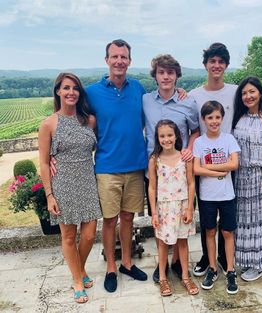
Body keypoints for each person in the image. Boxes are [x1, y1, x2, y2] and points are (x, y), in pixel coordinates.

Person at [189, 42, 262, 277]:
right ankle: (209, 258)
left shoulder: (236, 91)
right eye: (212, 61)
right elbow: (192, 125)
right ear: (205, 65)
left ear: (226, 65)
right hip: (215, 164)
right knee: (211, 214)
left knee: (240, 219)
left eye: (221, 61)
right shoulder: (193, 95)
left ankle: (233, 259)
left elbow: (258, 110)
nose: (216, 65)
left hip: (241, 166)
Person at [85, 39, 148, 292]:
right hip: (107, 167)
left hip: (135, 166)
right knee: (109, 220)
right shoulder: (91, 93)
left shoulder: (139, 89)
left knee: (128, 218)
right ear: (107, 60)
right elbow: (74, 119)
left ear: (130, 61)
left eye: (124, 57)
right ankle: (111, 266)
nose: (119, 61)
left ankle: (127, 263)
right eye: (115, 57)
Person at [39, 73, 102, 304]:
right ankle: (77, 279)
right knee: (68, 236)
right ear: (58, 91)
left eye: (75, 88)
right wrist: (49, 195)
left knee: (88, 235)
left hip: (87, 181)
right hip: (63, 185)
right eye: (66, 88)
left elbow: (96, 147)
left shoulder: (89, 121)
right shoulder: (48, 124)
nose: (71, 92)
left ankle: (80, 268)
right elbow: (44, 162)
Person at [143, 54, 199, 283]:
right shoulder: (145, 100)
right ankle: (163, 264)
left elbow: (195, 131)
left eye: (170, 72)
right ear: (155, 76)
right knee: (161, 223)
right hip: (156, 172)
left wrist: (190, 149)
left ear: (177, 75)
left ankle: (177, 262)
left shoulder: (188, 102)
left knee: (181, 223)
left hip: (180, 173)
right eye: (161, 72)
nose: (166, 76)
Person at [232, 76, 262, 281]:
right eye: (244, 93)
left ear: (260, 93)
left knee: (260, 220)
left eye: (252, 91)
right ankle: (248, 260)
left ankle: (261, 264)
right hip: (241, 178)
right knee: (244, 220)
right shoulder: (238, 118)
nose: (248, 96)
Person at [193, 101, 240, 295]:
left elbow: (234, 164)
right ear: (204, 120)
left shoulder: (229, 139)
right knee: (210, 232)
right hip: (207, 196)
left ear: (222, 118)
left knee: (228, 233)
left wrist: (208, 168)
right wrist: (219, 171)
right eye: (210, 117)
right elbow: (196, 169)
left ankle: (230, 269)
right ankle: (212, 268)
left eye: (217, 117)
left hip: (227, 195)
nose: (214, 121)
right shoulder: (199, 143)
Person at [148, 120, 198, 297]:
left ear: (176, 135)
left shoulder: (185, 158)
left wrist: (190, 208)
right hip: (164, 207)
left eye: (169, 135)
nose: (166, 139)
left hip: (182, 205)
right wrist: (154, 212)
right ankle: (162, 278)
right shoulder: (155, 159)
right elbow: (152, 187)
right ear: (157, 138)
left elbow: (191, 184)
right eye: (162, 136)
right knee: (162, 243)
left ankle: (185, 276)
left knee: (182, 241)